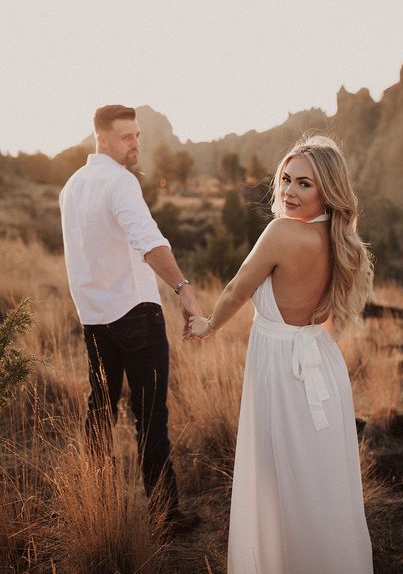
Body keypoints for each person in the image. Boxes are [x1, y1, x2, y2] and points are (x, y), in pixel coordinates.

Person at [189, 135, 374, 573]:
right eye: (286, 179)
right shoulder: (338, 237)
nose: (289, 191)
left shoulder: (282, 232)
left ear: (327, 189)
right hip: (321, 363)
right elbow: (325, 316)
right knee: (320, 478)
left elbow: (237, 288)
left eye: (304, 184)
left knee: (279, 475)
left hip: (283, 368)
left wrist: (208, 326)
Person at [59, 104, 201, 533]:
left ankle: (95, 505)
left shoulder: (72, 186)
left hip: (96, 319)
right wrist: (184, 289)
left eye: (137, 135)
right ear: (102, 138)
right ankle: (164, 514)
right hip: (136, 315)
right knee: (150, 416)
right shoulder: (119, 183)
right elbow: (148, 241)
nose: (135, 143)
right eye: (126, 136)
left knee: (99, 410)